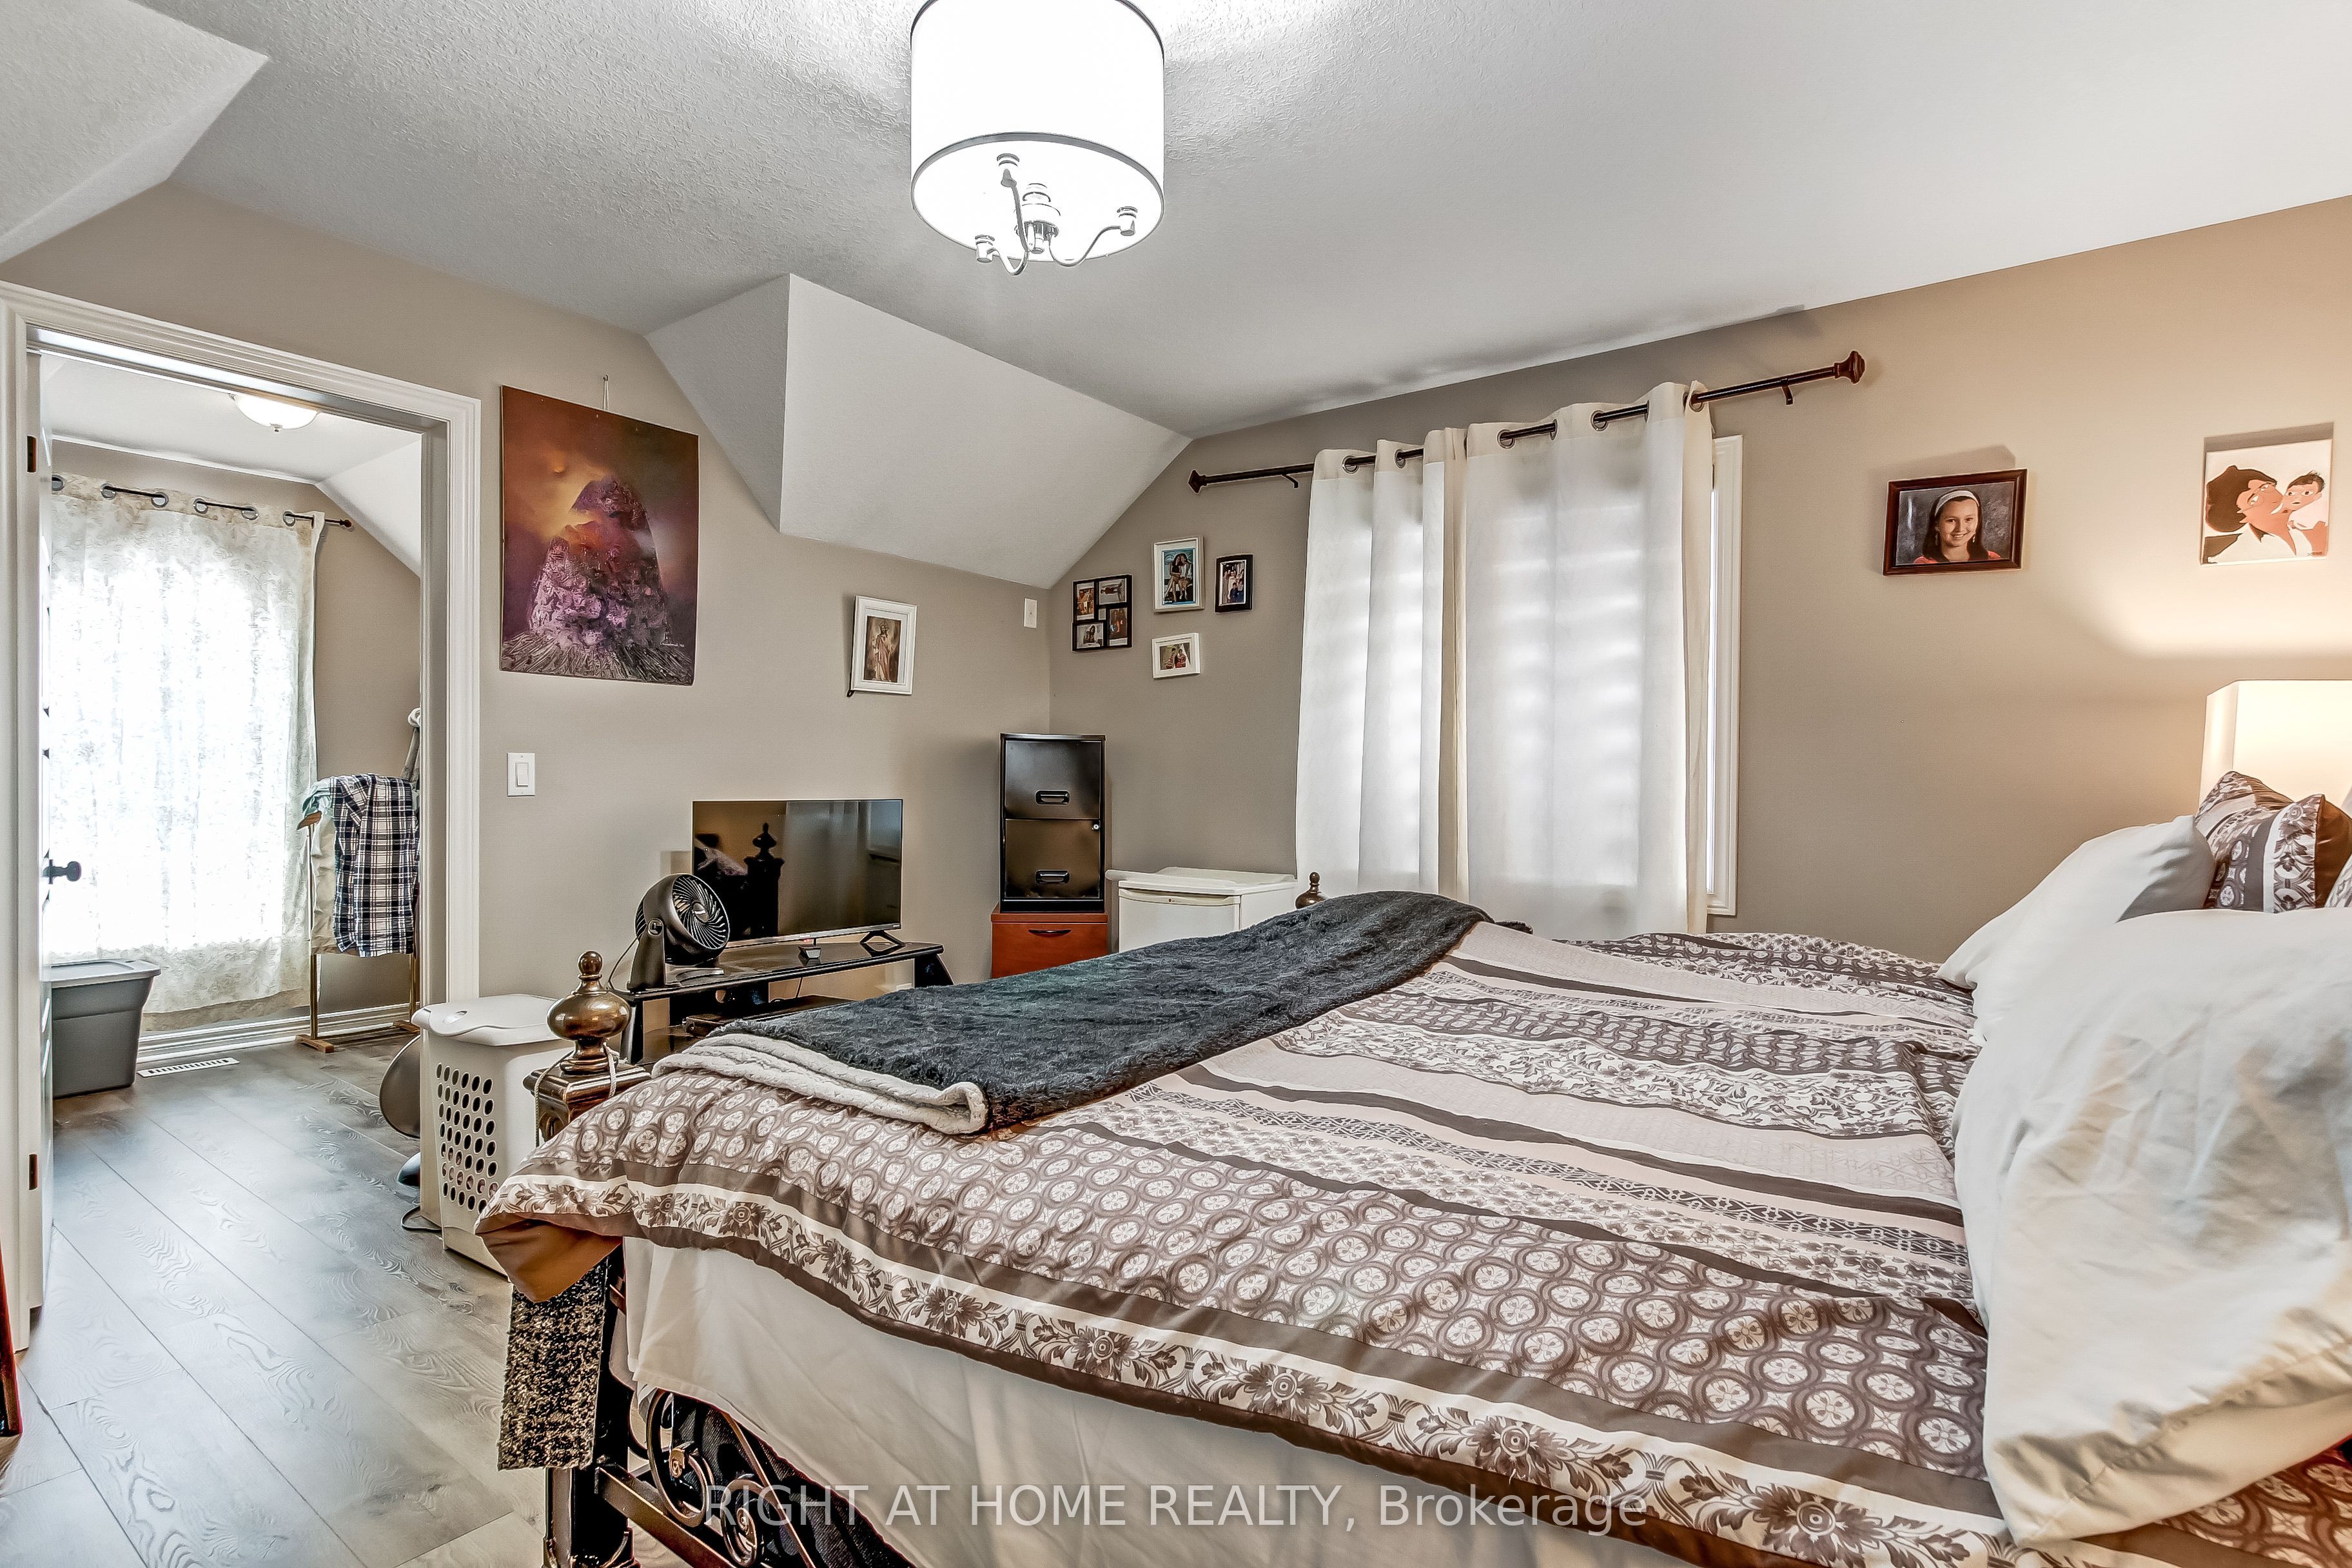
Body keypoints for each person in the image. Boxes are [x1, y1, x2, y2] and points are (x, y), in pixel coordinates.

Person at [2204, 465, 2304, 562]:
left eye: (2265, 487)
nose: (2271, 497)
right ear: (2243, 517)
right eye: (2254, 499)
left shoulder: (2304, 521)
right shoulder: (2240, 554)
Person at [1911, 489, 2003, 564]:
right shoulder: (1924, 564)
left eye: (1968, 519)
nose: (1960, 528)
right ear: (1937, 525)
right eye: (1951, 520)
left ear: (1978, 522)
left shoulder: (1992, 559)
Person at [2286, 471, 2330, 556]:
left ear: (2317, 496)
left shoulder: (2317, 509)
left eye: (2307, 493)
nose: (2297, 498)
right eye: (2291, 493)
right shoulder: (2293, 514)